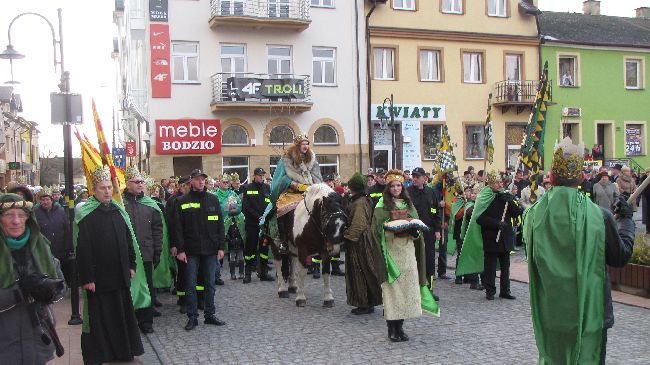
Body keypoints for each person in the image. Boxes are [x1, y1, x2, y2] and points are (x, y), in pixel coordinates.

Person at [523, 138, 635, 364]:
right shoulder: (598, 217)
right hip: (591, 312)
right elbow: (620, 256)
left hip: (552, 312)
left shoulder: (532, 216)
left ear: (551, 178)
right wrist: (627, 221)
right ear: (582, 178)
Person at [75, 166, 146, 364]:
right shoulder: (87, 216)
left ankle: (123, 351)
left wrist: (131, 264)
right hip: (100, 280)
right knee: (103, 319)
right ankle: (104, 353)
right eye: (102, 188)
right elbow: (83, 250)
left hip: (120, 275)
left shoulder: (118, 210)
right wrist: (87, 277)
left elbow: (128, 239)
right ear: (94, 191)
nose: (107, 191)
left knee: (121, 317)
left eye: (109, 187)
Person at [370, 169, 436, 342]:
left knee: (406, 291)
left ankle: (400, 328)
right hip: (390, 252)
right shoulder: (381, 205)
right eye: (392, 186)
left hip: (407, 253)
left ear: (402, 187)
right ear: (388, 188)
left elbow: (417, 234)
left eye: (399, 185)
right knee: (392, 293)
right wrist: (388, 228)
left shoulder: (408, 204)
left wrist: (414, 231)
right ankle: (391, 329)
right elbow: (375, 230)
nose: (396, 188)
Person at [0, 193, 66, 364]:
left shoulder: (39, 246)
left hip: (36, 339)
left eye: (21, 215)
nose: (16, 221)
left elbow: (60, 284)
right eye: (9, 215)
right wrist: (19, 290)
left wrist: (47, 291)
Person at [174, 169, 226, 331]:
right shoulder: (182, 201)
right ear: (191, 182)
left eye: (203, 179)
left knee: (210, 284)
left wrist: (221, 247)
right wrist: (180, 250)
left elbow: (220, 225)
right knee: (190, 285)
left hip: (210, 250)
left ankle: (209, 314)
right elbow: (177, 228)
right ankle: (192, 317)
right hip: (191, 250)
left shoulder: (213, 199)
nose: (201, 182)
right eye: (197, 179)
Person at [456, 170, 519, 301]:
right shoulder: (484, 197)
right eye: (496, 182)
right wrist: (496, 223)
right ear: (490, 183)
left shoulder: (505, 196)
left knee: (505, 266)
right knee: (490, 266)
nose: (499, 184)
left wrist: (511, 201)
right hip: (491, 236)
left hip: (505, 237)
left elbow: (516, 213)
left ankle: (505, 290)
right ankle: (490, 291)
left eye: (500, 182)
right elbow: (479, 218)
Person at [123, 167, 164, 333]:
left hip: (146, 253)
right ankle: (130, 321)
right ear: (127, 184)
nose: (141, 184)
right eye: (137, 182)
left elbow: (157, 230)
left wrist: (157, 251)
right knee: (129, 288)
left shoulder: (150, 205)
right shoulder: (120, 204)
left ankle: (146, 322)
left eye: (142, 182)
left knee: (146, 287)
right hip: (126, 256)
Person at [343, 173, 385, 315]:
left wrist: (346, 237)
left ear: (353, 187)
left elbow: (358, 225)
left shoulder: (360, 202)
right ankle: (368, 302)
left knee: (360, 271)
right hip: (362, 240)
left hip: (360, 243)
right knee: (365, 271)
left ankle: (365, 303)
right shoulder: (360, 200)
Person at [406, 167, 441, 290]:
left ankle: (429, 290)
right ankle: (415, 290)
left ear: (424, 178)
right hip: (413, 232)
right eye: (413, 176)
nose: (414, 179)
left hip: (428, 232)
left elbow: (435, 211)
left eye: (417, 177)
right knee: (415, 261)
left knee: (429, 262)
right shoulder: (407, 192)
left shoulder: (431, 192)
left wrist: (437, 230)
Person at [34, 186, 72, 287]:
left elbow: (67, 230)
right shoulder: (35, 213)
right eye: (43, 200)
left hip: (60, 249)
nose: (45, 202)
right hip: (44, 251)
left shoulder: (60, 211)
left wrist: (68, 247)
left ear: (51, 200)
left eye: (47, 199)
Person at [242, 167, 273, 283]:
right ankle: (248, 273)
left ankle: (263, 273)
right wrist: (257, 216)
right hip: (252, 224)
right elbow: (246, 206)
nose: (261, 177)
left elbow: (270, 204)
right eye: (259, 175)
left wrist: (266, 217)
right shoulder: (248, 188)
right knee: (250, 249)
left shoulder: (267, 188)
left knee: (264, 249)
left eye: (263, 175)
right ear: (254, 176)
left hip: (264, 225)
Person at [224, 195, 246, 280]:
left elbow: (243, 228)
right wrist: (229, 238)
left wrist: (241, 238)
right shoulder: (227, 218)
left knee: (241, 257)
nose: (233, 209)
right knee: (232, 257)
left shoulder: (241, 216)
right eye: (231, 208)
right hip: (231, 241)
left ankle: (241, 273)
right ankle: (232, 274)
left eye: (234, 208)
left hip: (240, 241)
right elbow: (225, 230)